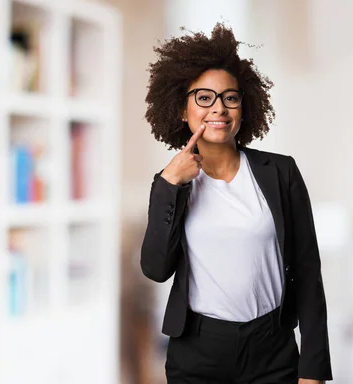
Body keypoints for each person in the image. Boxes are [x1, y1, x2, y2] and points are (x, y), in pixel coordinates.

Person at [140, 23, 332, 384]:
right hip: (198, 352)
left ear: (244, 108)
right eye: (204, 97)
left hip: (272, 348)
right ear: (183, 110)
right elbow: (155, 268)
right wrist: (169, 185)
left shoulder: (281, 172)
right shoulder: (170, 182)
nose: (219, 108)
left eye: (230, 97)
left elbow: (308, 271)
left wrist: (314, 368)